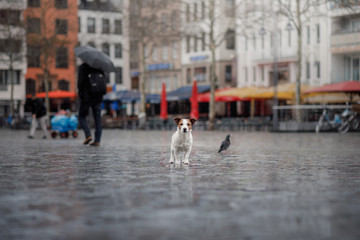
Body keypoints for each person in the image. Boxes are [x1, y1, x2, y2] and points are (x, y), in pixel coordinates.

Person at [77, 62, 104, 146]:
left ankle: (88, 135)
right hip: (98, 97)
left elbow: (80, 82)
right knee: (97, 119)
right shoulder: (99, 66)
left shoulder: (83, 67)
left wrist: (81, 94)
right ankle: (97, 140)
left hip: (86, 97)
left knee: (81, 117)